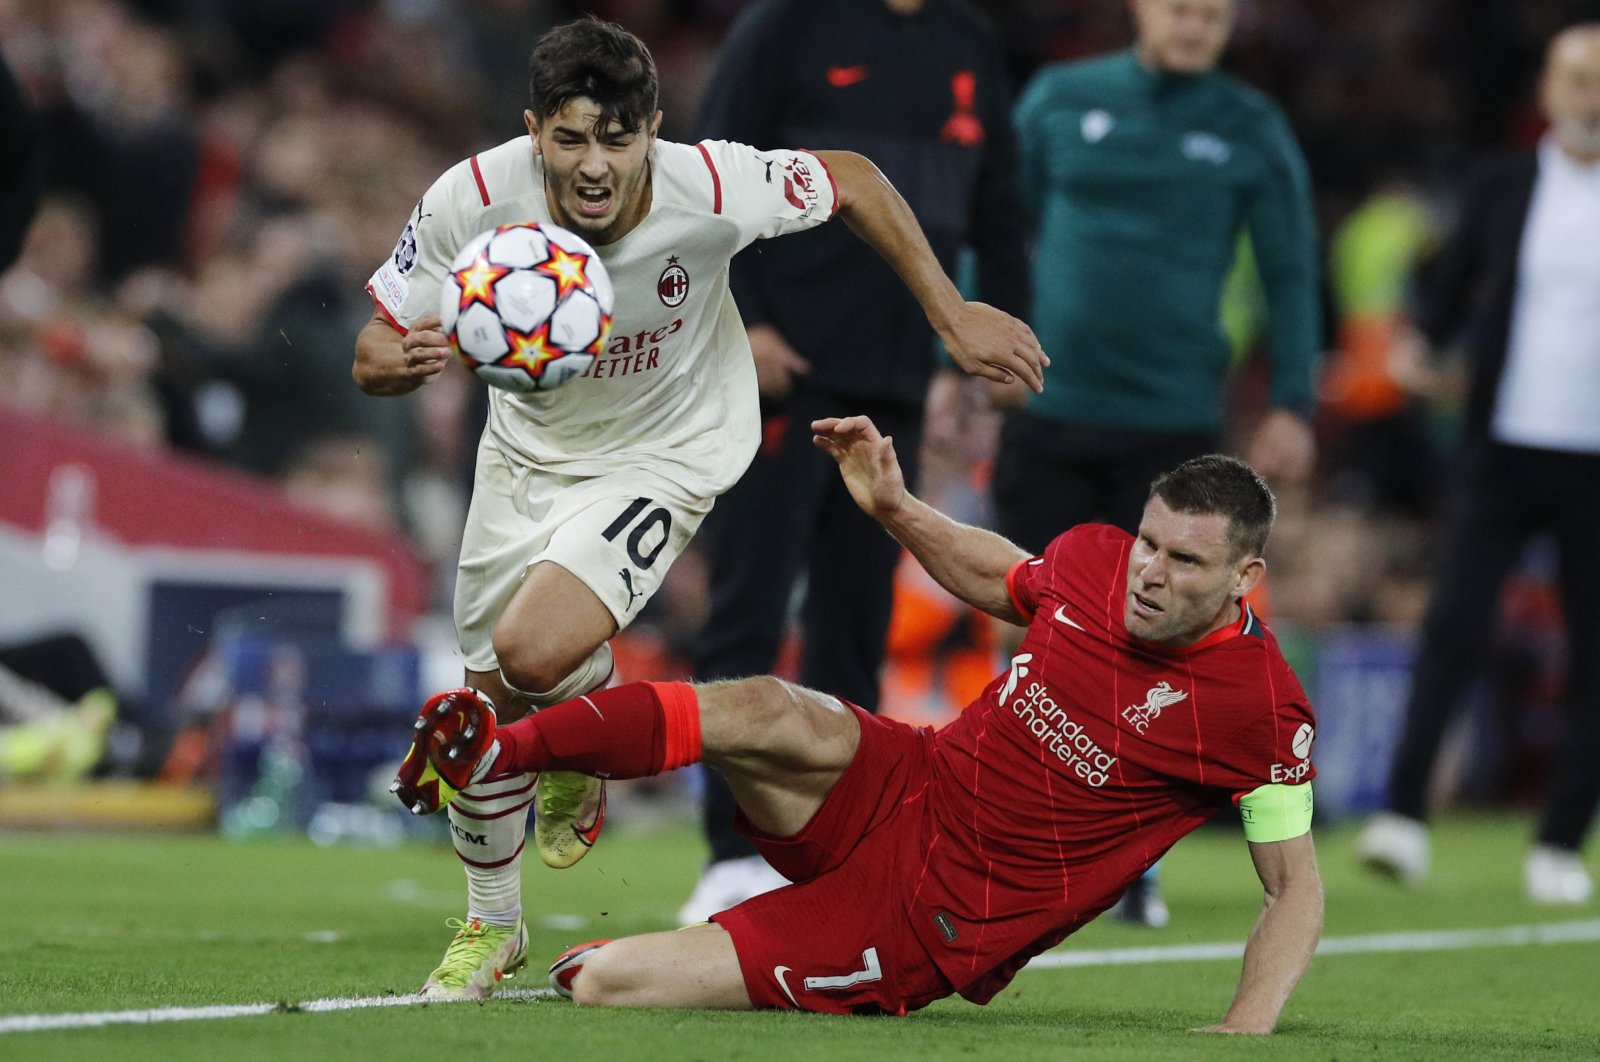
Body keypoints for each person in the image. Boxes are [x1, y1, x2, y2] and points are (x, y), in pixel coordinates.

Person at [353, 17, 1045, 1000]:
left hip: (666, 451)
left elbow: (848, 175)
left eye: (617, 138)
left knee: (533, 652)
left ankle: (570, 706)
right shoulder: (469, 197)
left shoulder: (709, 184)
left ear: (653, 130)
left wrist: (950, 312)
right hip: (524, 460)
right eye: (570, 138)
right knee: (486, 697)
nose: (594, 165)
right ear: (533, 130)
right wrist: (407, 358)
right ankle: (491, 926)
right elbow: (372, 350)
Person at [393, 415, 1323, 1029]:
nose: (1150, 573)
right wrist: (895, 507)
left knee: (603, 979)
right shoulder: (1096, 560)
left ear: (1245, 579)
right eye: (1150, 543)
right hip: (909, 780)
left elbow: (1293, 888)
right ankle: (500, 753)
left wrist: (1244, 1028)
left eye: (1186, 563)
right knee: (761, 703)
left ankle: (620, 905)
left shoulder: (1262, 711)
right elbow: (1003, 574)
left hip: (934, 916)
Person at [681, 0, 1031, 922]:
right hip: (781, 374)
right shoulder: (786, 25)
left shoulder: (968, 42)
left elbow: (998, 209)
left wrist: (989, 357)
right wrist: (740, 321)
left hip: (899, 388)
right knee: (748, 611)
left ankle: (832, 854)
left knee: (855, 622)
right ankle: (728, 853)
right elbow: (704, 178)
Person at [994, 0, 1322, 924]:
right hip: (1050, 404)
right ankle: (1005, 819)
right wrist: (969, 351)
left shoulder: (1250, 126)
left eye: (1214, 12)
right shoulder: (1061, 99)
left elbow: (1293, 268)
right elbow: (996, 221)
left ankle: (1131, 858)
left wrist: (1294, 401)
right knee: (1023, 615)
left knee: (1171, 633)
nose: (1194, 23)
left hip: (1172, 422)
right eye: (1180, 6)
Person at [1355, 25, 1600, 906]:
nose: (1591, 94)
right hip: (1500, 447)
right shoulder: (1501, 185)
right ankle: (1404, 817)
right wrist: (1421, 347)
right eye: (1577, 77)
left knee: (1594, 653)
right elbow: (1438, 291)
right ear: (1547, 85)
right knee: (1452, 627)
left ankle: (1562, 841)